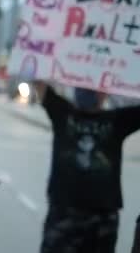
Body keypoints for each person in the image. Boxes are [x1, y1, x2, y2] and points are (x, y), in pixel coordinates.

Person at [34, 82, 140, 253]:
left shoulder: (117, 120)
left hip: (102, 218)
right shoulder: (62, 112)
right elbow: (39, 82)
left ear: (104, 93)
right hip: (64, 213)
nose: (88, 91)